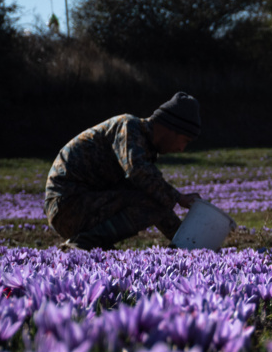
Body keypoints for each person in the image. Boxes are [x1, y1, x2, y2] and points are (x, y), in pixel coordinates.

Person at [44, 92, 203, 250]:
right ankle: (83, 243)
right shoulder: (128, 127)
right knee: (153, 199)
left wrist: (187, 243)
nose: (181, 149)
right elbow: (138, 172)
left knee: (153, 197)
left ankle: (91, 242)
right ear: (171, 127)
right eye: (184, 140)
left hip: (79, 206)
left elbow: (152, 194)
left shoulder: (143, 146)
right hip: (66, 206)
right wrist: (179, 197)